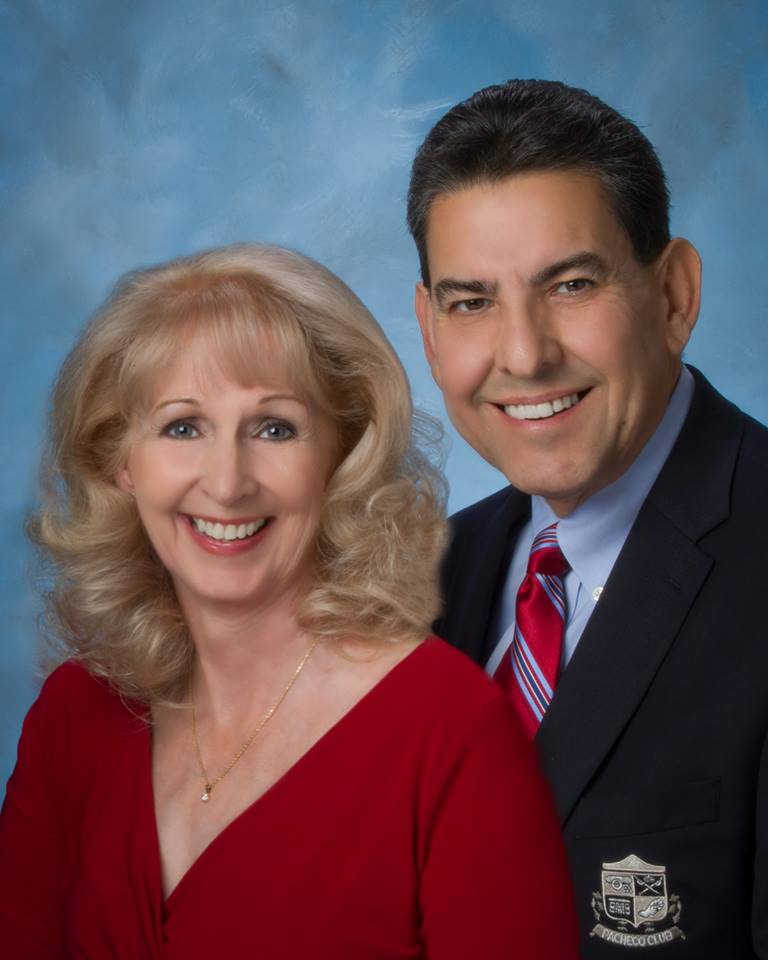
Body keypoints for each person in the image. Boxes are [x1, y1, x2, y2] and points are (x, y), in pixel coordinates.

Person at [0, 244, 577, 958]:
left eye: (275, 428)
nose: (227, 482)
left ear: (341, 456)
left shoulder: (452, 731)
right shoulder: (75, 714)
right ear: (122, 462)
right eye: (183, 427)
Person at [407, 79, 768, 957]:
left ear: (674, 295)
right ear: (429, 328)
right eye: (471, 301)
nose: (525, 354)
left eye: (570, 285)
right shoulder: (422, 582)